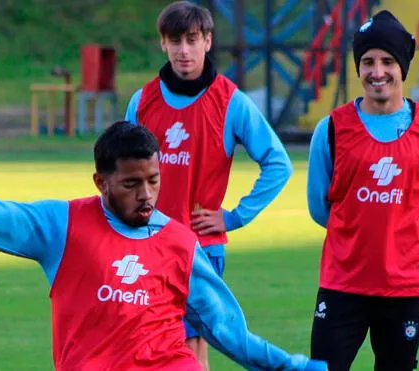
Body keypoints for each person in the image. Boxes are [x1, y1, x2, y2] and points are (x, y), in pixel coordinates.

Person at [0, 121, 327, 371]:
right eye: (132, 184)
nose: (147, 195)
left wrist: (292, 366)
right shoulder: (62, 225)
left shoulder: (179, 242)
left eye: (153, 181)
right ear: (101, 182)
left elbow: (227, 330)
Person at [124, 2, 293, 368]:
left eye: (192, 39)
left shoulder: (230, 102)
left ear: (208, 41)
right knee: (141, 344)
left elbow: (278, 163)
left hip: (199, 247)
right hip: (144, 245)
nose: (183, 50)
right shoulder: (141, 102)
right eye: (175, 40)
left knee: (191, 345)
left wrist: (235, 217)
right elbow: (117, 173)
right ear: (162, 44)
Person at [307, 10, 419, 371]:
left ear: (403, 67)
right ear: (357, 67)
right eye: (367, 62)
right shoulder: (331, 129)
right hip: (343, 283)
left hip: (405, 286)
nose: (377, 72)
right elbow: (319, 207)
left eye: (388, 61)